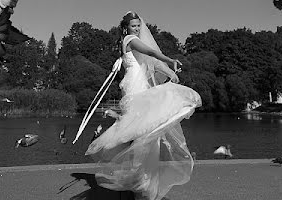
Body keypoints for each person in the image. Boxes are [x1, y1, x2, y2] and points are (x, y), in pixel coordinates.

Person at [85, 11, 202, 200]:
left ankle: (142, 182)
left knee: (145, 135)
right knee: (142, 135)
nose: (137, 29)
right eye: (134, 26)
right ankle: (141, 182)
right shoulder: (130, 40)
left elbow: (150, 62)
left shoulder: (129, 41)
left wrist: (168, 71)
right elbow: (151, 52)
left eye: (139, 26)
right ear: (126, 28)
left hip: (137, 86)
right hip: (134, 88)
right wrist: (169, 60)